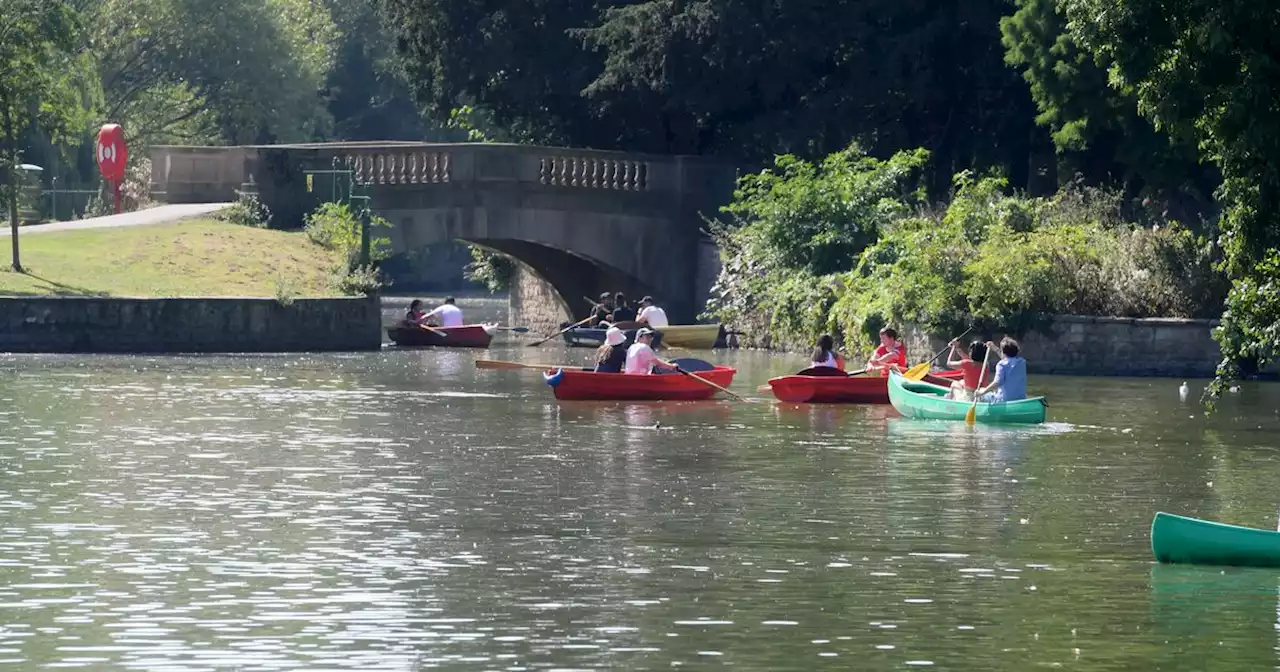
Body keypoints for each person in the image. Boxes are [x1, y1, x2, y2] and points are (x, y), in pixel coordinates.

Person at [976, 337, 1028, 403]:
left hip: (1003, 400)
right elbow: (1008, 359)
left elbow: (997, 382)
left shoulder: (1001, 364)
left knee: (982, 392)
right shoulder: (1022, 362)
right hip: (1020, 399)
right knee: (995, 391)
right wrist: (995, 348)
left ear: (1003, 352)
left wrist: (982, 392)